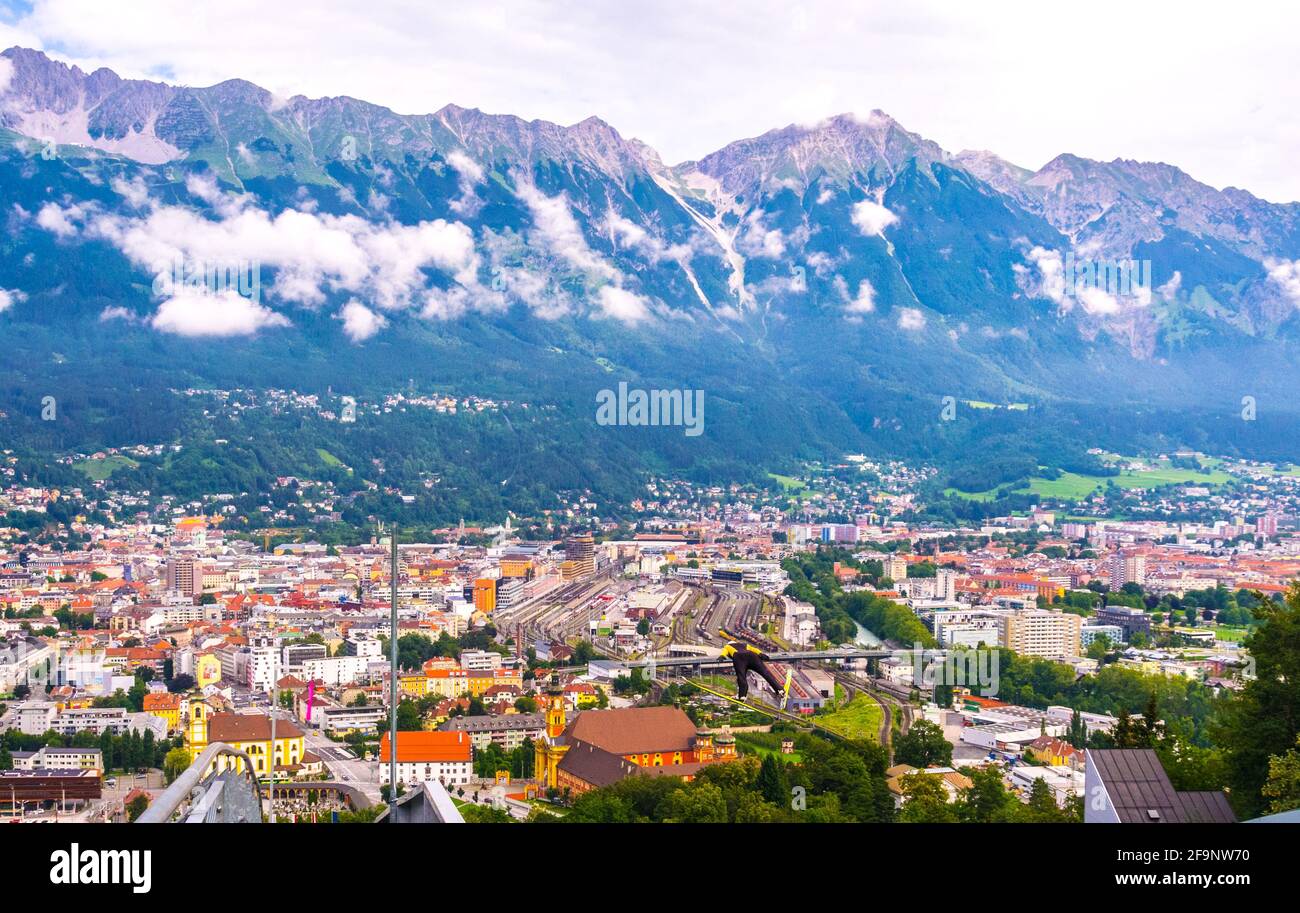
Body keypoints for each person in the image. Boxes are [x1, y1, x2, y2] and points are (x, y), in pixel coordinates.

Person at [718, 630, 785, 701]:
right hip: (752, 657)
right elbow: (754, 649)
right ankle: (779, 690)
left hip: (740, 658)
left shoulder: (727, 646)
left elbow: (724, 651)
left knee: (741, 677)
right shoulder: (744, 644)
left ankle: (742, 696)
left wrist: (722, 656)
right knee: (766, 673)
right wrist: (761, 654)